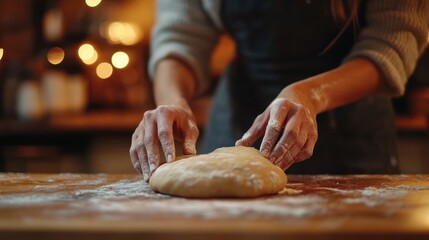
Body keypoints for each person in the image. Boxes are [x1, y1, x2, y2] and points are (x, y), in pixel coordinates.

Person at [130, 0, 429, 181]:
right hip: (237, 127)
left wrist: (311, 95)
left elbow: (392, 41)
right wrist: (173, 101)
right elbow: (180, 35)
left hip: (352, 136)